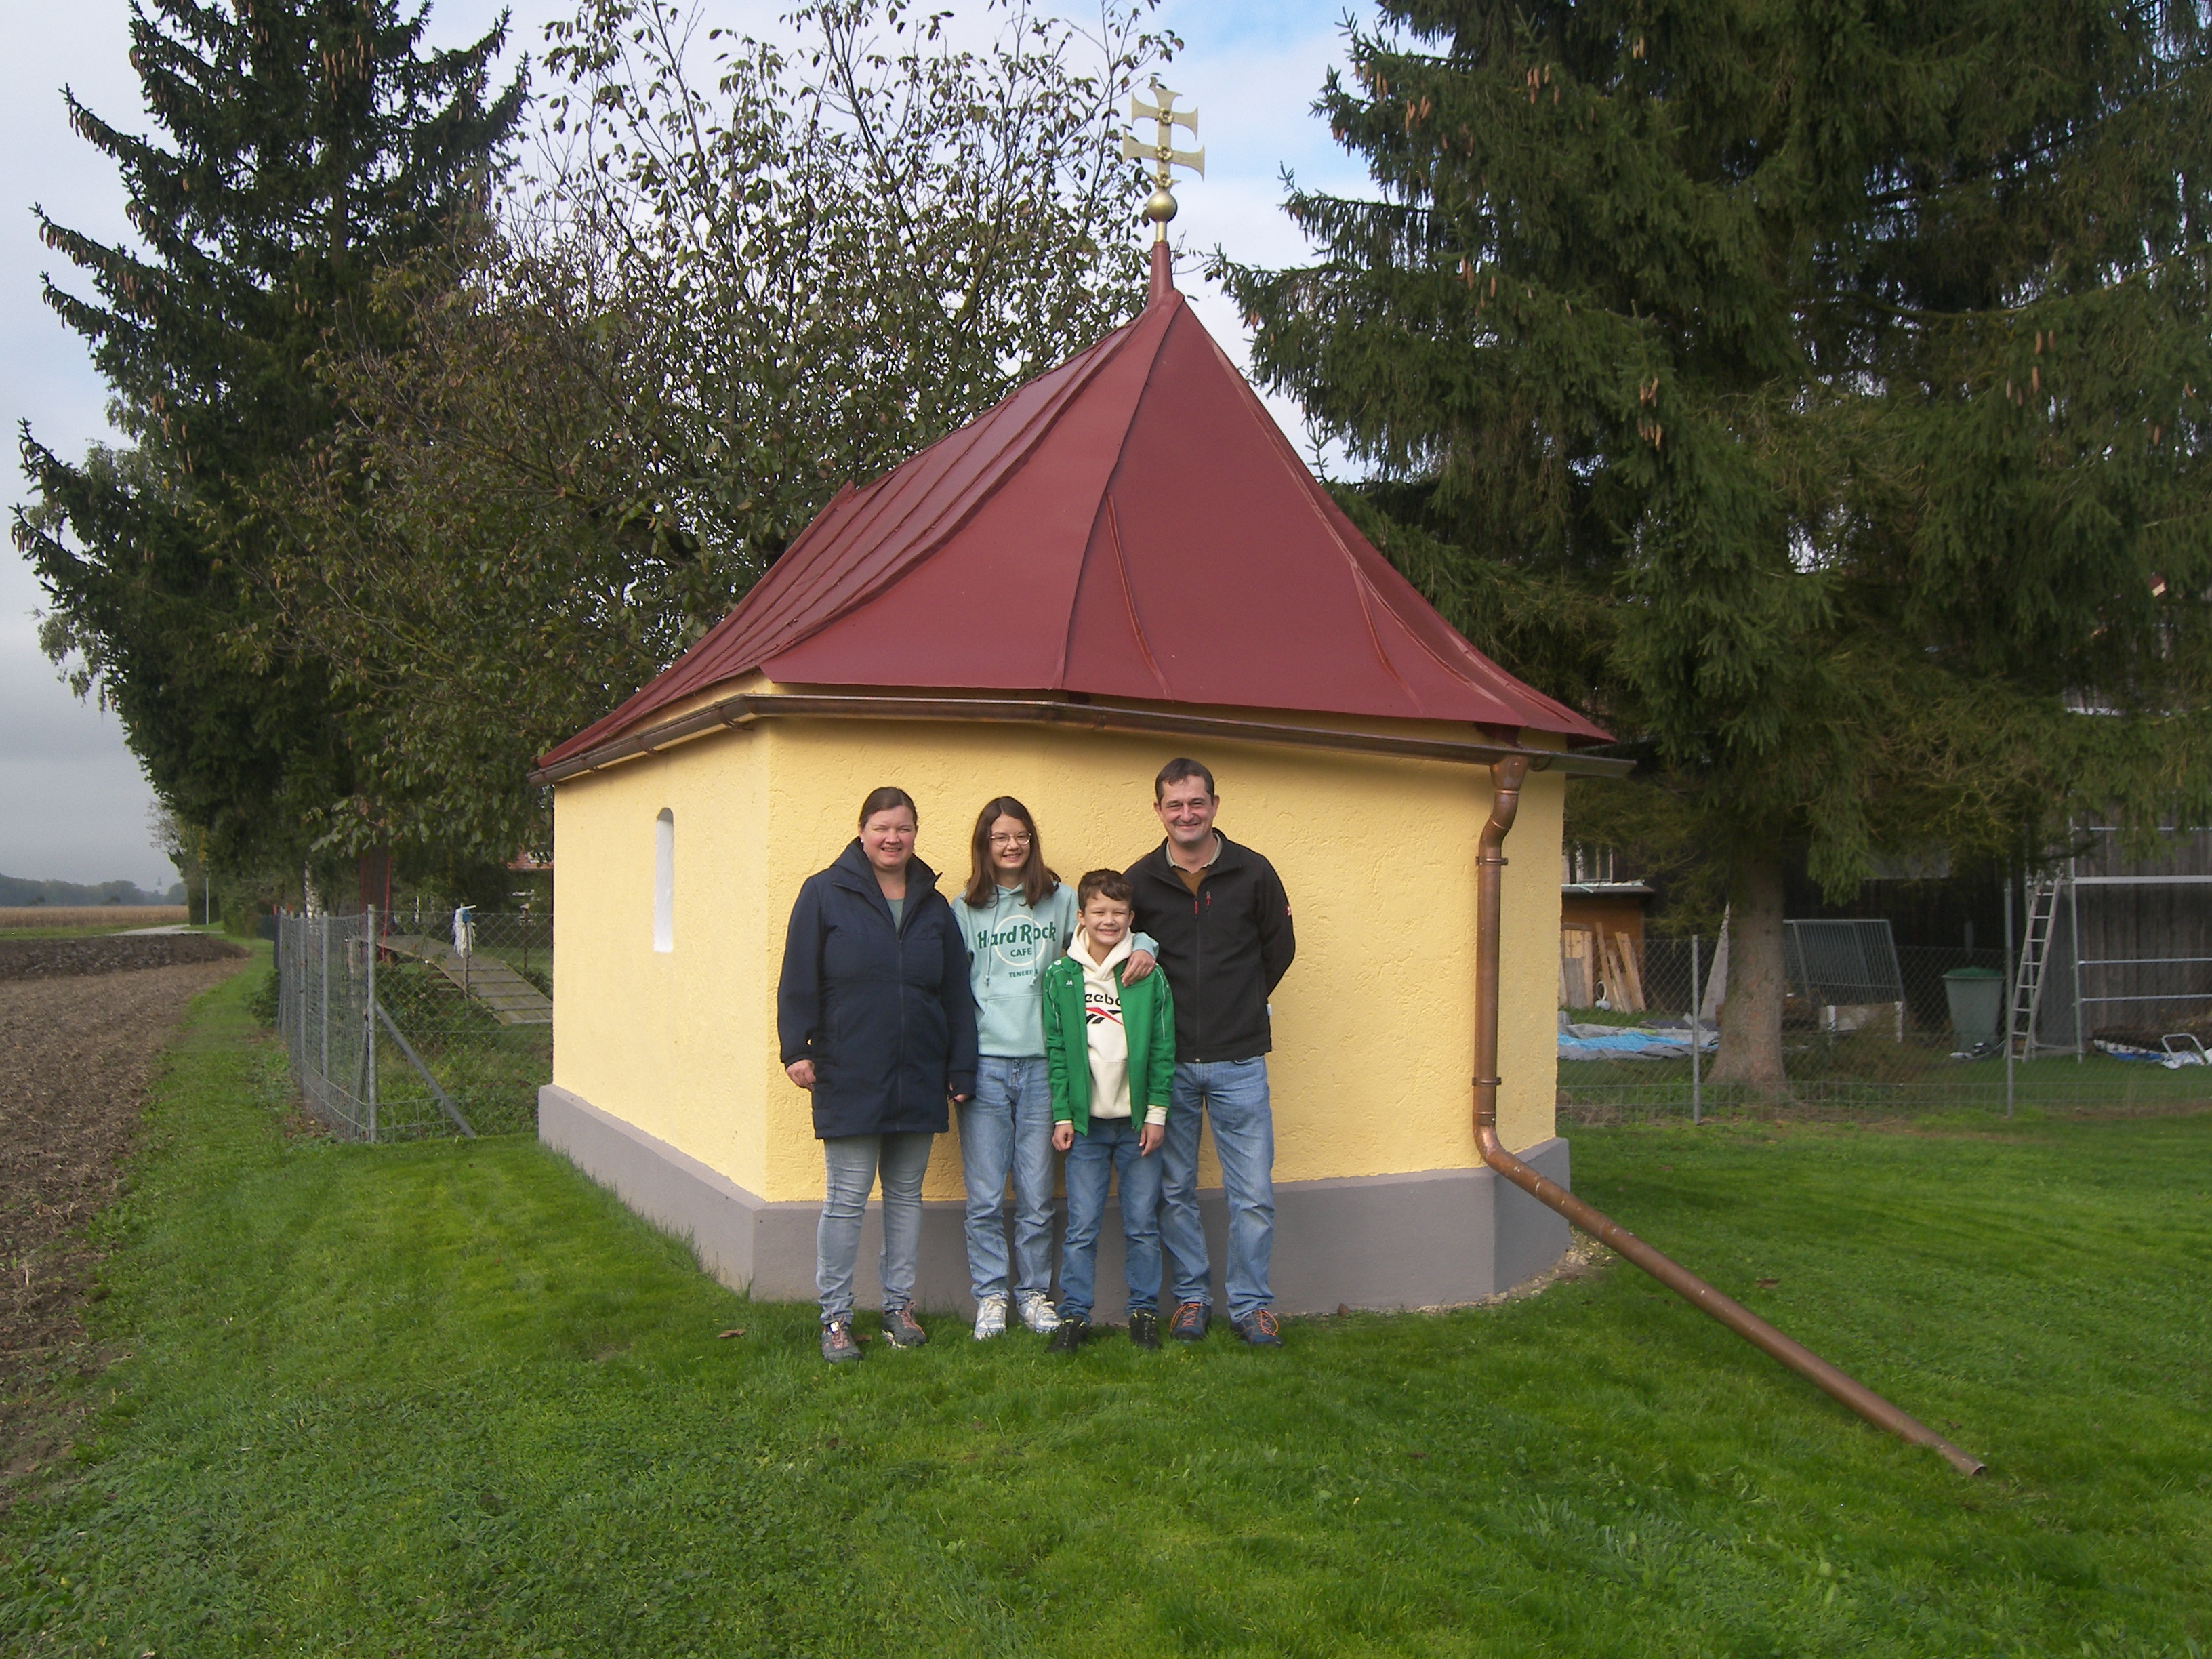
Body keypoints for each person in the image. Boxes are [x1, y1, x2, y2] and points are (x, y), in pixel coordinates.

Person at [778, 787, 977, 1364]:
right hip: (849, 1068)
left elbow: (955, 995)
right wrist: (797, 1048)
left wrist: (959, 1064)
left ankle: (898, 1307)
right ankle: (835, 1317)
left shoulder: (934, 905)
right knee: (845, 1198)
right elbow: (798, 978)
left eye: (905, 829)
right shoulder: (824, 892)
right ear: (861, 830)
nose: (894, 839)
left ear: (916, 833)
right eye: (882, 828)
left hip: (918, 1070)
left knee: (906, 1196)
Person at [952, 798, 1155, 1340]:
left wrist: (1150, 946)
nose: (1012, 846)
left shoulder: (1062, 900)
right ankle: (991, 1295)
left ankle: (1034, 1294)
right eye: (1000, 837)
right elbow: (951, 988)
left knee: (1038, 1194)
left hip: (1046, 1064)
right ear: (984, 844)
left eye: (1021, 835)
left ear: (1032, 840)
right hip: (987, 1066)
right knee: (986, 1195)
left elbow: (1112, 931)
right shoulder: (965, 908)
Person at [1125, 758, 1296, 1347]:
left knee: (1252, 1193)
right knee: (1173, 1190)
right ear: (1158, 812)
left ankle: (1251, 1305)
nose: (1186, 814)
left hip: (1238, 1058)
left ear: (1215, 806)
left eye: (1196, 803)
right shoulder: (1141, 880)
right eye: (1174, 805)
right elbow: (1120, 952)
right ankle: (1192, 1299)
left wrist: (1243, 1001)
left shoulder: (1254, 872)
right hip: (1167, 1063)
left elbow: (1279, 948)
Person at [1040, 869, 1175, 1353]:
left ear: (1131, 919)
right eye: (1098, 911)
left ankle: (1143, 1312)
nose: (1108, 920)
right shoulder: (1061, 976)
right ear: (1081, 917)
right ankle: (1075, 1315)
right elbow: (1057, 1050)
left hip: (1137, 1124)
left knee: (1141, 1223)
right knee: (1082, 1225)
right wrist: (1062, 1115)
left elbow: (1162, 1046)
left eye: (1118, 913)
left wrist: (1157, 1114)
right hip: (1087, 1126)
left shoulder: (1146, 973)